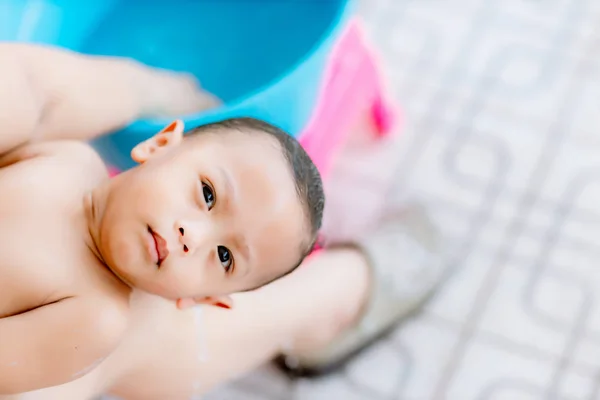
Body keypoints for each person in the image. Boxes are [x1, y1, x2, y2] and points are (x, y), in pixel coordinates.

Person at [0, 44, 448, 400]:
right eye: (207, 195)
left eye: (224, 255)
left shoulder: (94, 318)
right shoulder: (66, 160)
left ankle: (333, 295)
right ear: (159, 145)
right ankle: (146, 87)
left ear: (204, 296)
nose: (191, 236)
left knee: (134, 335)